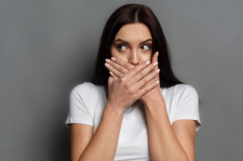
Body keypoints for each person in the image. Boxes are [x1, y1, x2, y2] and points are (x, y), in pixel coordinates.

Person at [65, 4, 201, 161]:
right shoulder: (84, 95)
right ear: (108, 51)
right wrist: (115, 105)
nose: (134, 60)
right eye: (122, 47)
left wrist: (154, 100)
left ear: (156, 51)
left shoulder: (183, 95)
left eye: (145, 47)